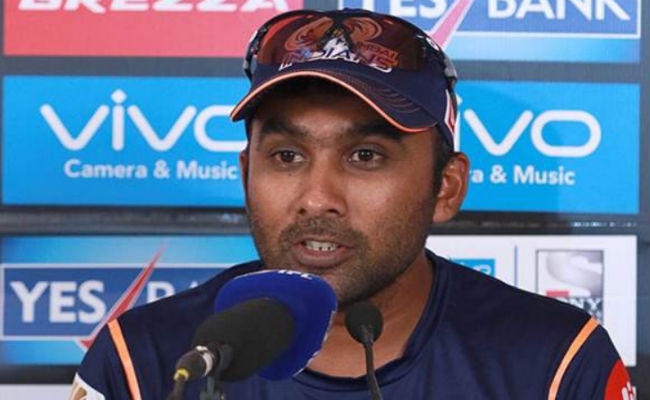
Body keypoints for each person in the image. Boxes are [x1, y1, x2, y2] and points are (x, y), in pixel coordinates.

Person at [71, 9, 634, 400]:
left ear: (445, 187)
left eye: (365, 156)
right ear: (245, 175)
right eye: (287, 156)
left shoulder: (556, 362)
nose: (317, 197)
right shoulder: (146, 360)